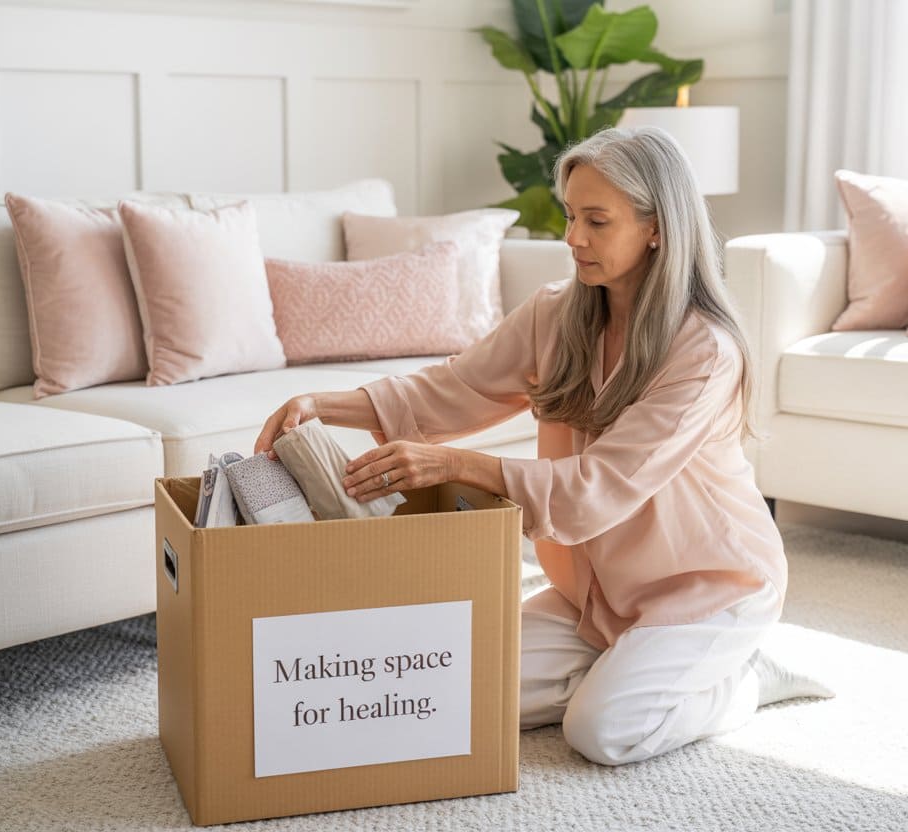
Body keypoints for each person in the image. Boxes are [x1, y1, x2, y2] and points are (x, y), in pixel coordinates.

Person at [253, 126, 832, 766]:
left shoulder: (705, 352)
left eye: (596, 221)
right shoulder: (556, 313)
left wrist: (452, 464)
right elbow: (453, 388)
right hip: (596, 592)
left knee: (604, 731)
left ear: (657, 228)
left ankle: (743, 678)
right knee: (448, 691)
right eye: (570, 216)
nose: (572, 238)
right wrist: (319, 405)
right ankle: (635, 668)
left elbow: (598, 489)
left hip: (706, 588)